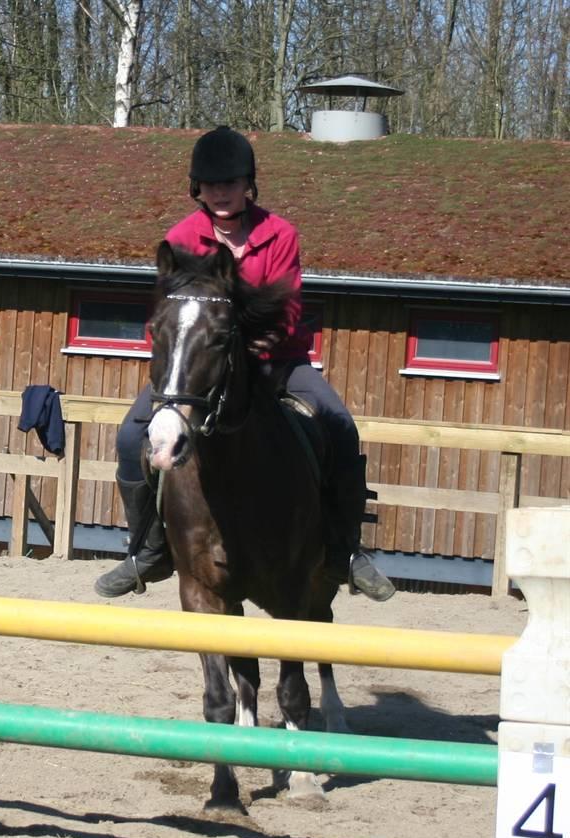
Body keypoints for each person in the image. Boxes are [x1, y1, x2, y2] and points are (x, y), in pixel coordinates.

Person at [95, 125, 394, 602]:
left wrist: (248, 355)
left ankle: (344, 550)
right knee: (131, 434)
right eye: (212, 184)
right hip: (197, 370)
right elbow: (172, 313)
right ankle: (146, 549)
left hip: (276, 362)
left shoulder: (280, 235)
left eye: (230, 183)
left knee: (340, 426)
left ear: (247, 184)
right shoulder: (181, 238)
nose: (220, 192)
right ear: (198, 186)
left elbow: (289, 312)